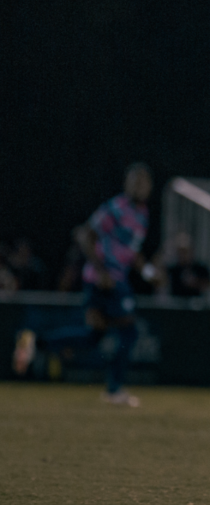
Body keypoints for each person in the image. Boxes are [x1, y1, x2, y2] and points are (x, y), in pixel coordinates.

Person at [12, 163, 153, 407]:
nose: (139, 186)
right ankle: (114, 390)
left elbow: (131, 252)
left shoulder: (142, 214)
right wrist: (101, 271)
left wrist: (149, 271)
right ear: (126, 184)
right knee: (129, 332)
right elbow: (84, 234)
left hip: (114, 279)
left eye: (143, 182)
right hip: (106, 281)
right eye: (134, 181)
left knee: (93, 337)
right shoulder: (115, 208)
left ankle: (35, 341)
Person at [166, 233, 210, 297]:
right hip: (176, 304)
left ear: (191, 250)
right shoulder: (172, 269)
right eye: (180, 251)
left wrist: (195, 282)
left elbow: (208, 285)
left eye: (185, 251)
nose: (182, 254)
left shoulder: (201, 268)